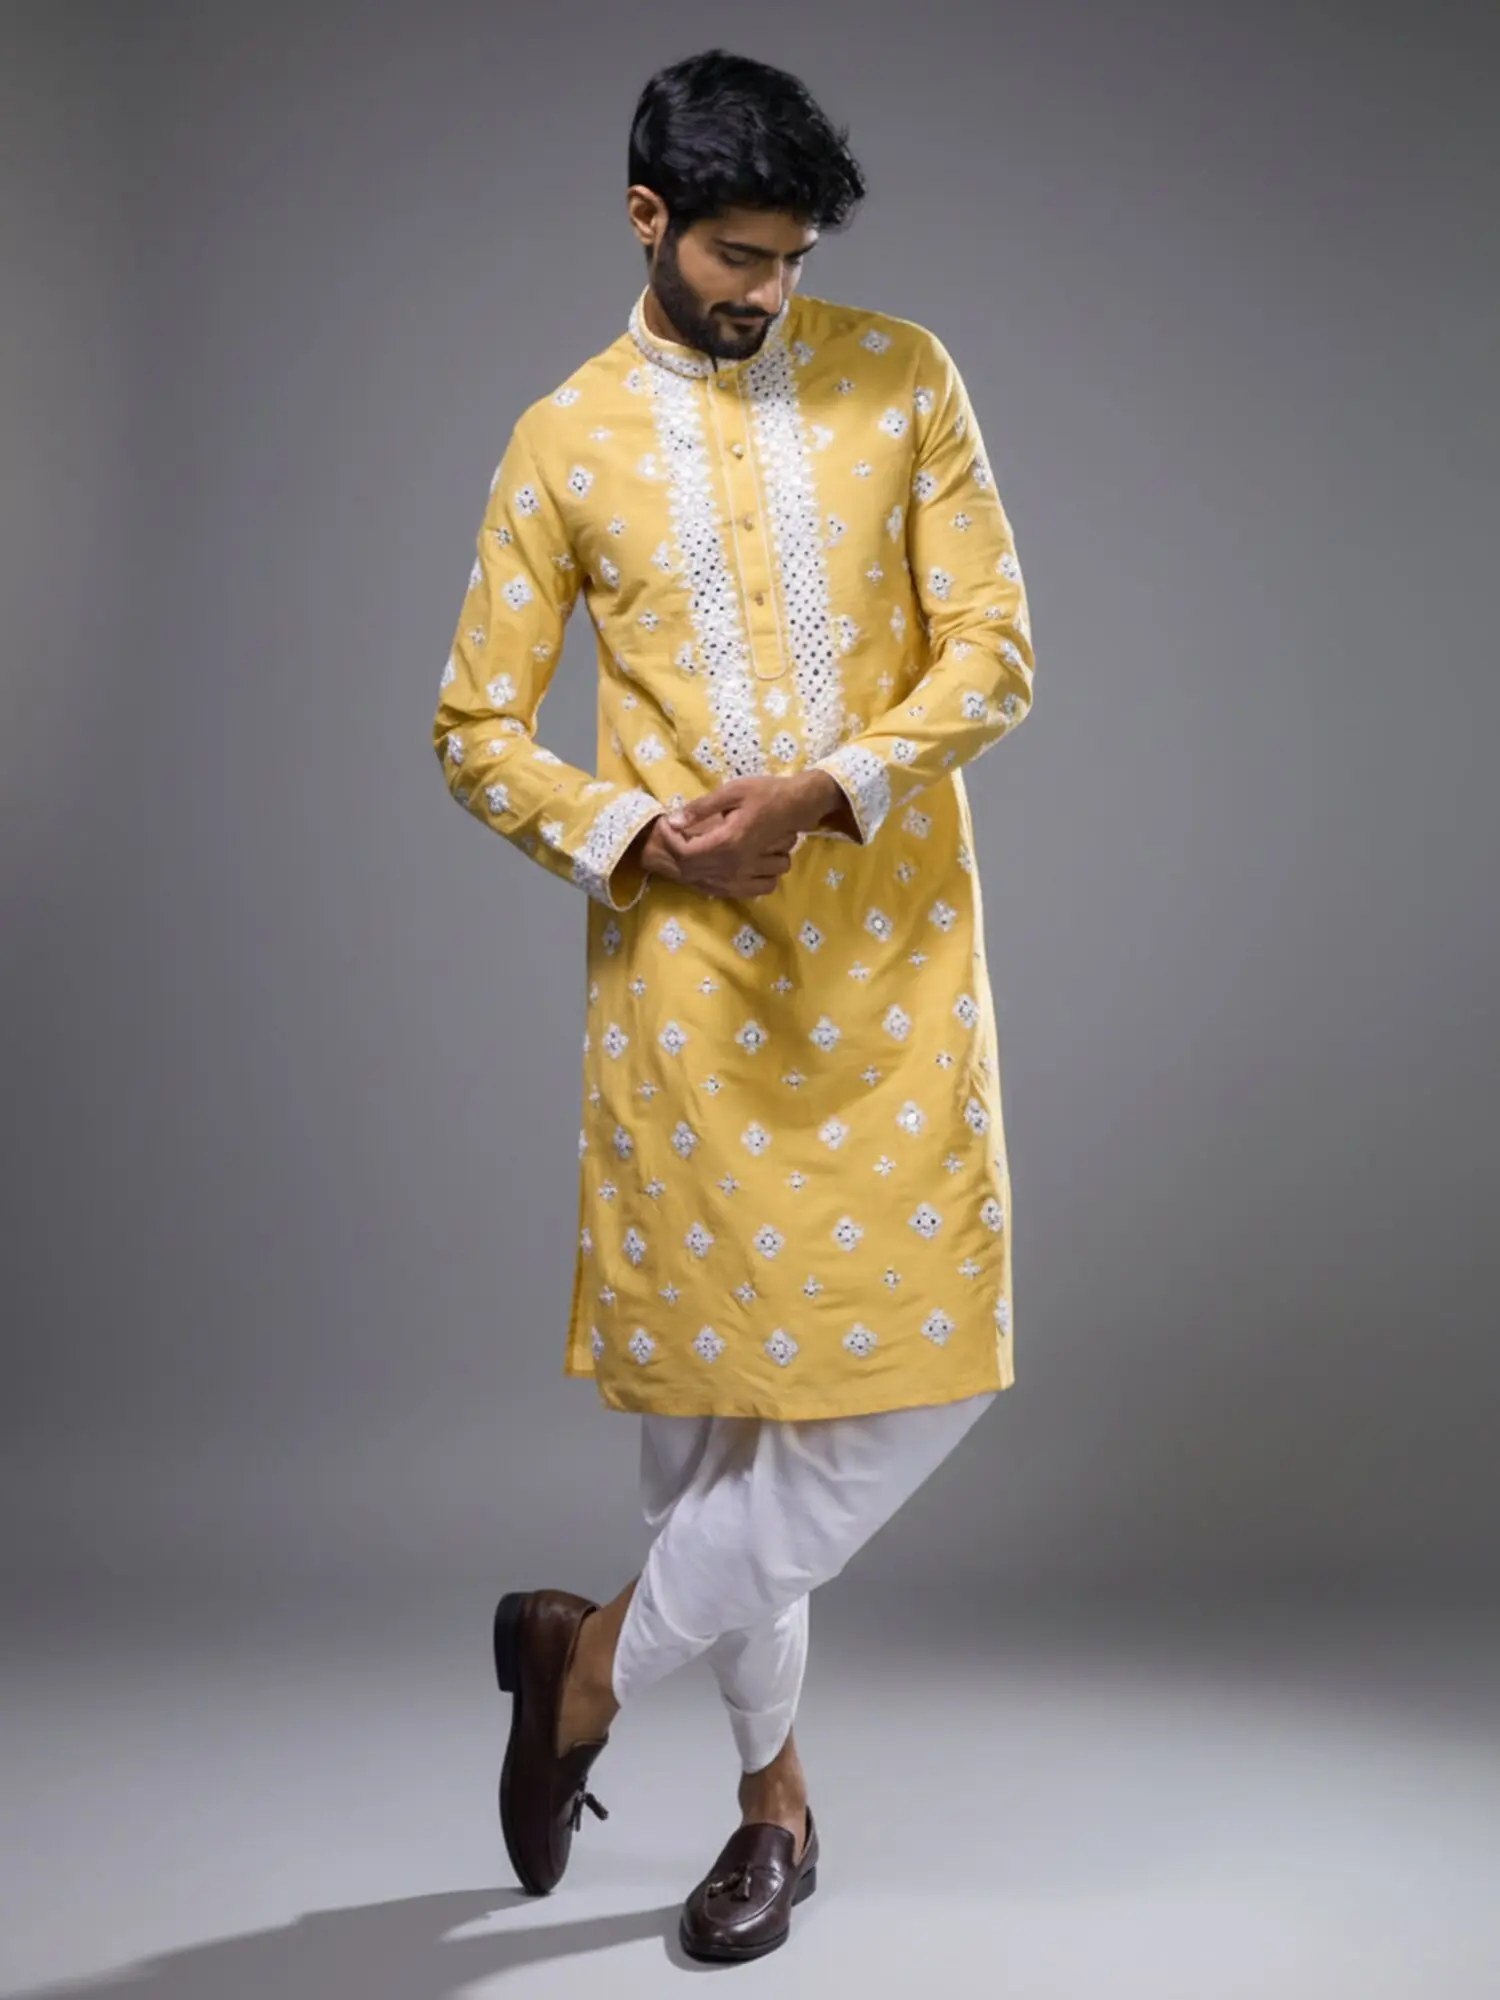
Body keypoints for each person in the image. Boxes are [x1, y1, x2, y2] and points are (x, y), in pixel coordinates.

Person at [432, 46, 1035, 1964]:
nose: (772, 290)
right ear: (648, 219)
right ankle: (775, 1809)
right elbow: (473, 728)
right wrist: (642, 837)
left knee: (915, 1387)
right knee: (713, 1450)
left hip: (894, 972)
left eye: (793, 260)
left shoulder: (902, 377)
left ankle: (582, 1663)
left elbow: (995, 650)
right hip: (684, 989)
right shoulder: (563, 438)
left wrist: (830, 788)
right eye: (738, 256)